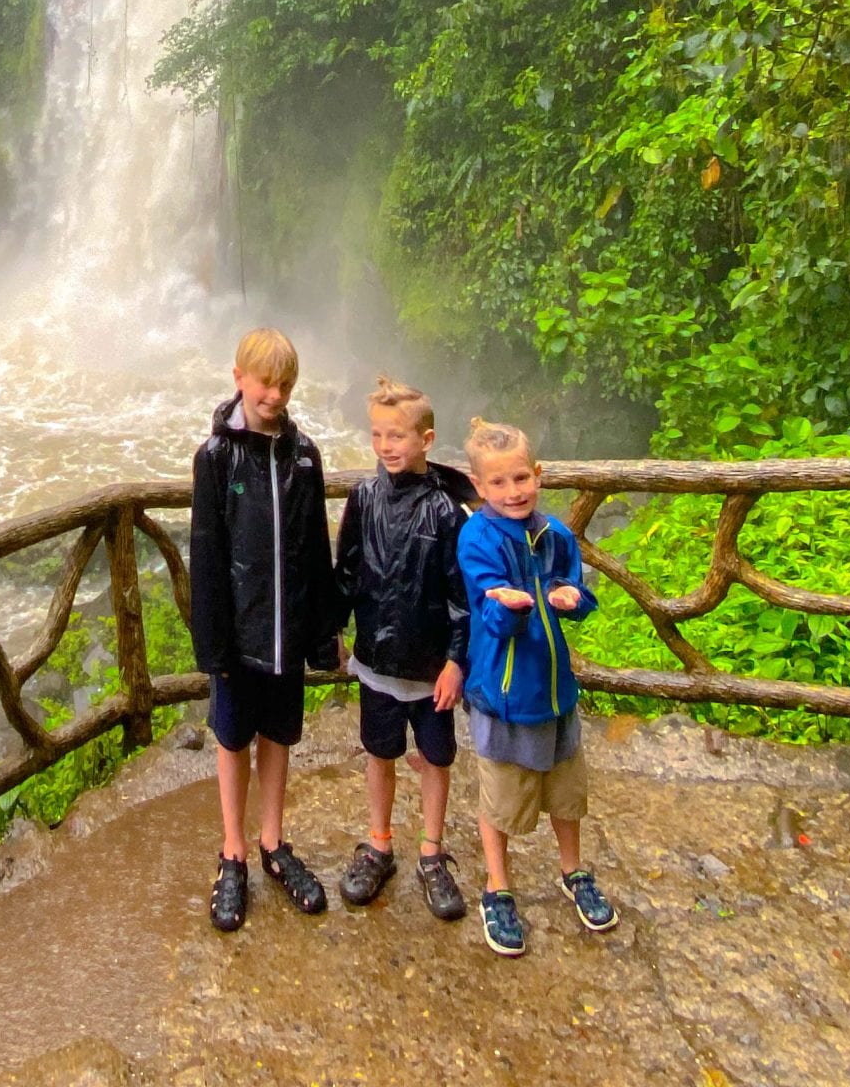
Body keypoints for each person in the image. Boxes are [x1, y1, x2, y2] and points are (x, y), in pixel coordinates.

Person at [188, 327, 336, 932]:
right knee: (232, 741)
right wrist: (212, 644)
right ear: (239, 379)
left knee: (278, 736)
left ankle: (273, 841)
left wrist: (323, 630)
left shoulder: (304, 456)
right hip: (239, 634)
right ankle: (233, 851)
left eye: (285, 386)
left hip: (287, 632)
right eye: (265, 384)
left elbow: (316, 548)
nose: (274, 395)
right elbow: (206, 554)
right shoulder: (216, 458)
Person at [458, 416, 619, 957]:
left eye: (521, 478)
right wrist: (509, 607)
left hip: (555, 690)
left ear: (538, 474)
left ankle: (573, 872)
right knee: (501, 795)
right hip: (503, 693)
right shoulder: (477, 538)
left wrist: (574, 599)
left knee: (567, 790)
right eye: (499, 482)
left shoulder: (556, 535)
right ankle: (497, 886)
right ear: (478, 485)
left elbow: (575, 588)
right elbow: (488, 611)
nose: (513, 491)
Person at [328, 378, 471, 921]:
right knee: (379, 753)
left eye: (397, 436)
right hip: (376, 660)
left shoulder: (446, 511)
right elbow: (347, 571)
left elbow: (461, 595)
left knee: (436, 758)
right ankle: (379, 844)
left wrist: (456, 661)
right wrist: (334, 630)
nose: (386, 446)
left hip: (431, 667)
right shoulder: (364, 498)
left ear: (426, 440)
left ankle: (432, 852)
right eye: (377, 435)